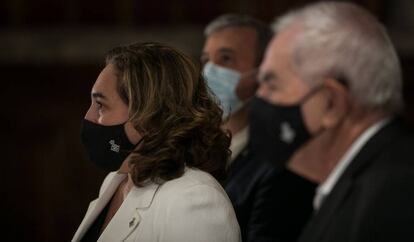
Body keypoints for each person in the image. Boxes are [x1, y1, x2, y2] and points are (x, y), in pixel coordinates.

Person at [257, 2, 414, 242]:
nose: (260, 98)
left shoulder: (394, 195)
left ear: (331, 102)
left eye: (272, 84)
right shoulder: (371, 178)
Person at [72, 42, 241, 242]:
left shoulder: (194, 199)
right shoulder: (116, 180)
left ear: (149, 115)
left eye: (101, 105)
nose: (89, 117)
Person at [202, 14, 316, 242]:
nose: (210, 72)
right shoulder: (193, 145)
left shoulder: (282, 163)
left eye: (226, 58)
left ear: (264, 71)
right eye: (206, 60)